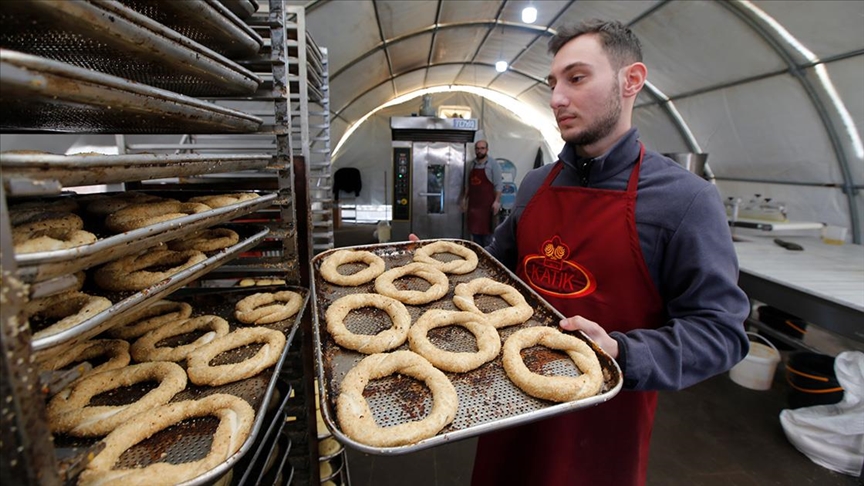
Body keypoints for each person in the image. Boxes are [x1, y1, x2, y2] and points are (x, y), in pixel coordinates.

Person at [470, 19, 751, 486]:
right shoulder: (538, 185)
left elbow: (722, 332)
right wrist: (437, 265)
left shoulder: (684, 200)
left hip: (600, 430)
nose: (558, 97)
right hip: (507, 408)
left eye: (576, 78)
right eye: (553, 83)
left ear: (631, 81)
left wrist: (623, 351)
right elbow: (495, 268)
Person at [461, 139, 503, 247]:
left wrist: (497, 202)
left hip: (487, 208)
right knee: (475, 239)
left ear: (487, 150)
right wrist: (464, 200)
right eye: (477, 148)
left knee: (488, 239)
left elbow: (498, 185)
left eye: (482, 148)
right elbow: (467, 185)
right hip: (473, 208)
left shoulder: (493, 165)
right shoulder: (471, 165)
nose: (479, 151)